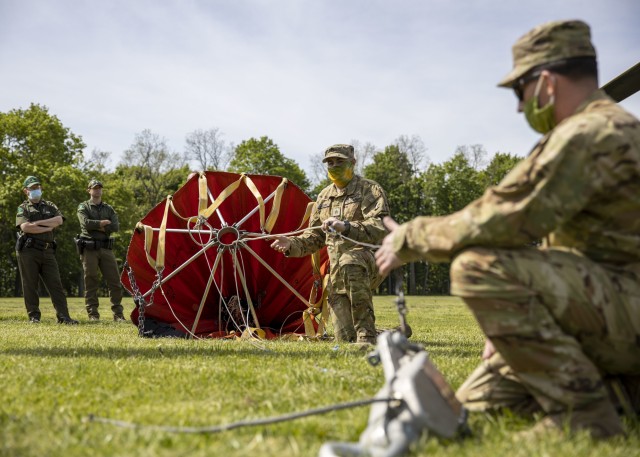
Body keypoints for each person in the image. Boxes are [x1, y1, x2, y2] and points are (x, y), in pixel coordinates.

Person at [375, 20, 640, 439]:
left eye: (521, 91)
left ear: (547, 82)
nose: (519, 107)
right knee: (471, 409)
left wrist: (410, 237)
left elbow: (502, 218)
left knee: (479, 266)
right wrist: (514, 324)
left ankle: (588, 418)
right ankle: (620, 395)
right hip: (613, 309)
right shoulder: (607, 128)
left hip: (626, 311)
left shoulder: (591, 133)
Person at [270, 144, 389, 344]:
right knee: (344, 338)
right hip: (338, 273)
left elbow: (381, 226)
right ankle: (390, 335)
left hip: (369, 263)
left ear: (353, 162)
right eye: (330, 162)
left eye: (339, 161)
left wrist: (346, 226)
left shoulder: (370, 189)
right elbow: (314, 238)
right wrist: (291, 243)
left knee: (350, 260)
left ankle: (367, 336)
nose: (334, 166)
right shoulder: (324, 197)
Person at [15, 176, 79, 324]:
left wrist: (37, 223)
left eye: (37, 187)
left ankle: (64, 317)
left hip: (48, 250)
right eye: (32, 188)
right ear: (26, 191)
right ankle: (34, 317)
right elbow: (25, 227)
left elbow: (59, 220)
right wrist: (47, 226)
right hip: (28, 251)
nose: (35, 190)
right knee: (30, 284)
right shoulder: (23, 208)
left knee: (56, 284)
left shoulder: (50, 205)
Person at [76, 179, 126, 321]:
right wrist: (103, 223)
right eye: (94, 188)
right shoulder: (83, 207)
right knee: (91, 280)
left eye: (99, 188)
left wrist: (96, 225)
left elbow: (115, 226)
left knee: (114, 281)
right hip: (89, 248)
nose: (97, 190)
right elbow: (85, 223)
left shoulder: (108, 208)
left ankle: (118, 313)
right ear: (89, 190)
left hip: (106, 248)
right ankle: (93, 314)